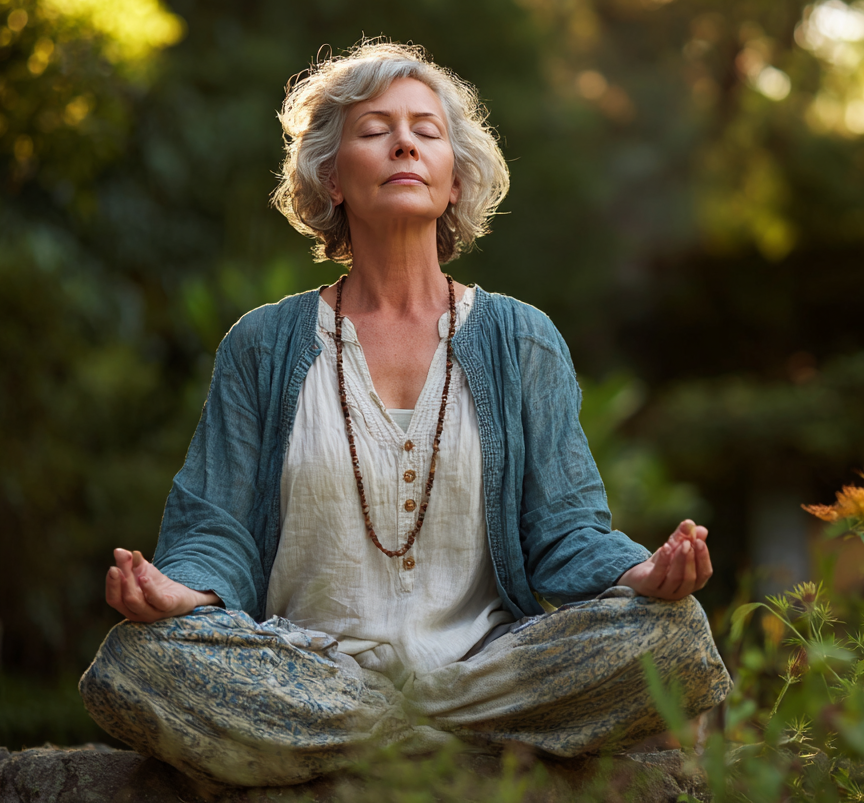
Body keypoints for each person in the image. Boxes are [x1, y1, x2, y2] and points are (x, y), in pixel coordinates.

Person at [79, 41, 731, 788]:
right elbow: (214, 527)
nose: (404, 144)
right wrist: (183, 593)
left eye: (426, 130)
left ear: (455, 179)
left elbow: (565, 527)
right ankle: (430, 741)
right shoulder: (262, 345)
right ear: (331, 176)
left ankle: (370, 740)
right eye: (375, 129)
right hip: (308, 673)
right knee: (141, 659)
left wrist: (638, 572)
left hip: (485, 673)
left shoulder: (521, 337)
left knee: (675, 636)